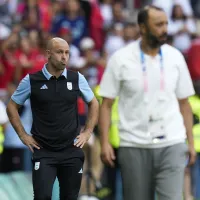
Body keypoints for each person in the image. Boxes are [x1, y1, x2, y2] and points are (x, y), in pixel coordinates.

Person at [98, 5, 196, 200]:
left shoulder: (175, 57)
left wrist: (190, 143)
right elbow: (106, 104)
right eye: (158, 24)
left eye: (166, 23)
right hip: (134, 144)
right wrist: (105, 143)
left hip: (172, 143)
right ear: (142, 27)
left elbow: (184, 104)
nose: (165, 29)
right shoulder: (121, 59)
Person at [6, 37, 99, 200]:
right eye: (60, 52)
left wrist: (87, 132)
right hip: (44, 151)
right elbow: (12, 106)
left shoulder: (77, 78)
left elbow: (94, 103)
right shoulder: (31, 80)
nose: (64, 57)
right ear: (48, 54)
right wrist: (23, 135)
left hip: (71, 150)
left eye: (67, 53)